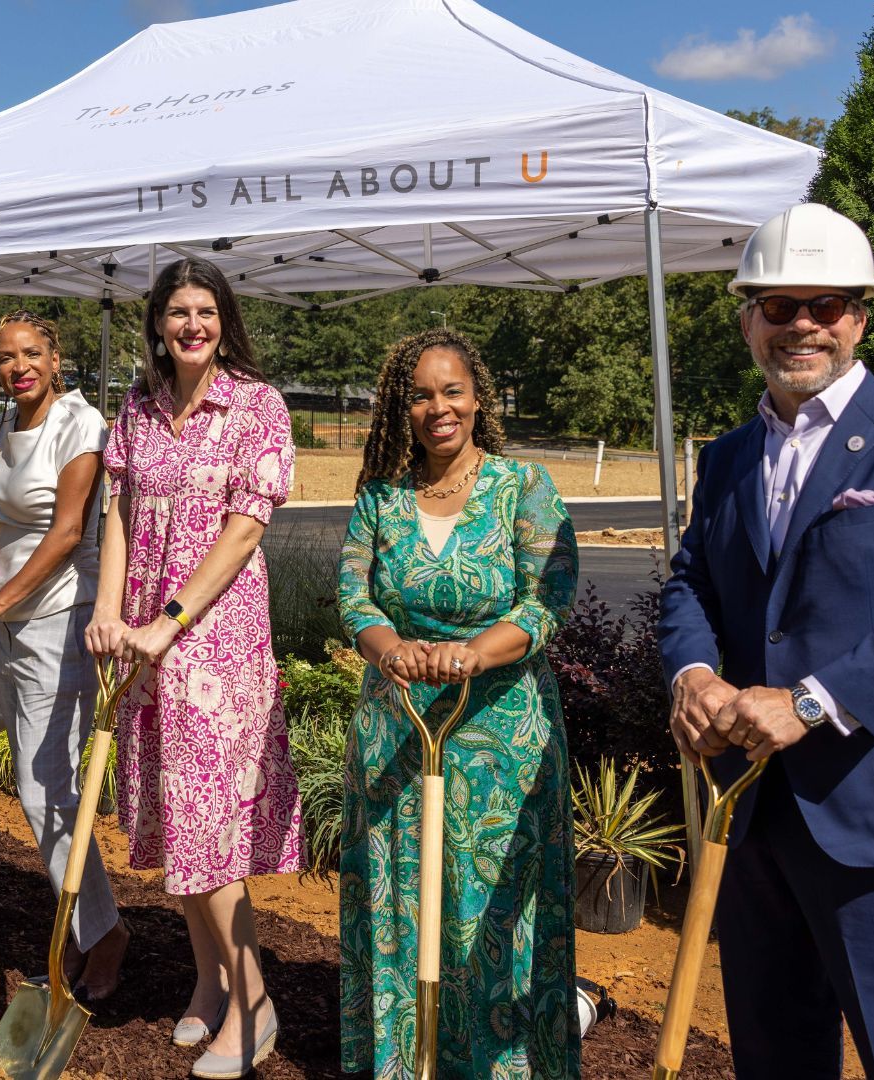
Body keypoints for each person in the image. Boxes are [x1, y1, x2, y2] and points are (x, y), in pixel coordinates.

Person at [659, 203, 874, 1080]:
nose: (804, 323)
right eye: (779, 306)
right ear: (747, 318)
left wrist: (811, 702)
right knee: (775, 1056)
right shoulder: (731, 456)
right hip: (749, 806)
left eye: (828, 302)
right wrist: (695, 674)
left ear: (860, 315)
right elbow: (693, 582)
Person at [336, 328, 581, 1079]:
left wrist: (477, 653)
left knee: (496, 910)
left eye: (452, 391)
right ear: (398, 407)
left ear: (478, 398)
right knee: (401, 896)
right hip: (398, 727)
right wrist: (390, 650)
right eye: (419, 394)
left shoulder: (523, 487)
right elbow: (353, 594)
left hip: (502, 737)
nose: (437, 407)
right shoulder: (380, 498)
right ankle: (408, 1062)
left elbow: (549, 600)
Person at [84, 256, 302, 1078]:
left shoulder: (257, 406)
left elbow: (245, 529)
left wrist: (169, 621)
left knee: (210, 829)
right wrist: (110, 611)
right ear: (157, 323)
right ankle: (208, 985)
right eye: (177, 311)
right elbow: (120, 512)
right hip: (142, 638)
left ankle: (253, 1004)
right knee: (175, 820)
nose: (192, 326)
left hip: (216, 644)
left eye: (205, 311)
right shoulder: (137, 410)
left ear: (225, 320)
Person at [0, 310, 129, 999]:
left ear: (56, 359)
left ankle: (104, 932)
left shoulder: (81, 425)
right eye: (5, 358)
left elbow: (69, 530)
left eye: (31, 354)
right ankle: (86, 925)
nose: (18, 366)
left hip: (56, 618)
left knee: (42, 782)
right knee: (41, 785)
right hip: (5, 624)